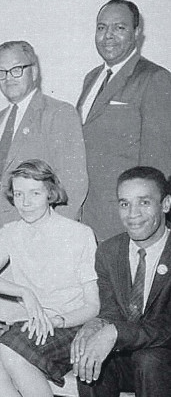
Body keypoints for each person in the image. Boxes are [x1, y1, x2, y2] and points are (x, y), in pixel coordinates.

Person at [0, 159, 99, 397]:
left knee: (11, 355)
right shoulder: (10, 232)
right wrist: (23, 292)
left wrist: (58, 320)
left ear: (50, 193)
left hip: (70, 325)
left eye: (34, 193)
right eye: (18, 194)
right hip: (32, 328)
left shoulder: (79, 234)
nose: (25, 203)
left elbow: (93, 306)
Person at [77, 0, 171, 242]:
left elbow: (158, 164)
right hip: (86, 216)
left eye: (119, 28)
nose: (108, 35)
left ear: (137, 33)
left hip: (125, 219)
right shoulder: (91, 78)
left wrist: (138, 219)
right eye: (101, 27)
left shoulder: (155, 78)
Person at [72, 166, 171, 397]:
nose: (132, 214)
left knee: (150, 360)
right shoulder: (109, 251)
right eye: (125, 204)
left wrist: (115, 332)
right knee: (88, 355)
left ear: (165, 204)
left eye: (144, 202)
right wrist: (95, 326)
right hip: (132, 357)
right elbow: (110, 310)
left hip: (163, 360)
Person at [0, 41, 88, 232]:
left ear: (35, 71)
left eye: (16, 69)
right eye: (1, 72)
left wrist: (51, 236)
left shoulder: (58, 113)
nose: (8, 78)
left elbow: (73, 186)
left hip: (36, 235)